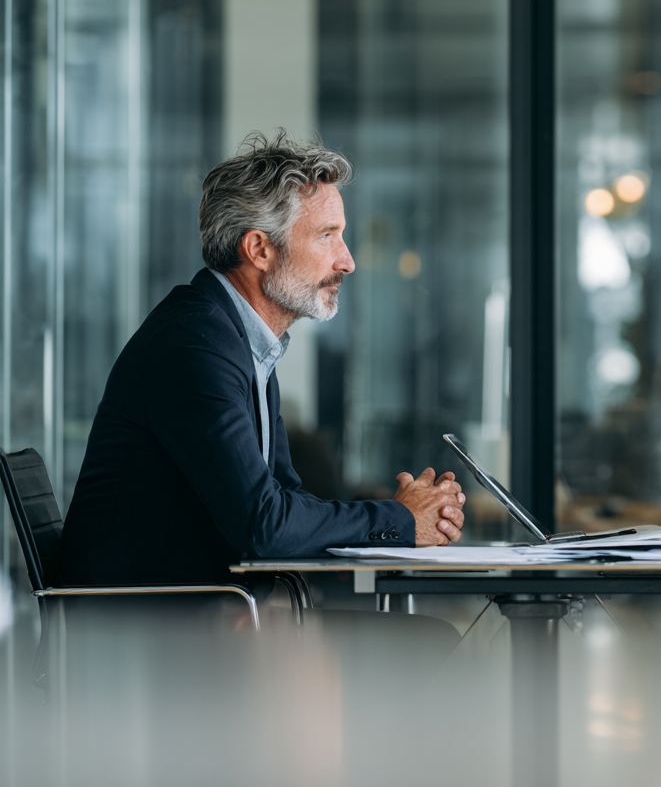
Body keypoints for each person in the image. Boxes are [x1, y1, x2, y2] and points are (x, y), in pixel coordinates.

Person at [61, 132, 466, 587]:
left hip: (204, 620)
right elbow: (266, 525)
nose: (347, 261)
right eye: (327, 236)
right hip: (141, 638)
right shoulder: (195, 344)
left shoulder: (238, 337)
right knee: (421, 639)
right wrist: (402, 518)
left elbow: (285, 498)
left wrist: (400, 516)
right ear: (259, 250)